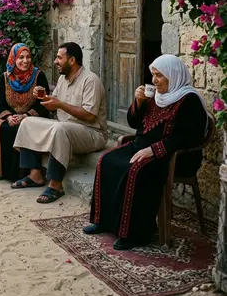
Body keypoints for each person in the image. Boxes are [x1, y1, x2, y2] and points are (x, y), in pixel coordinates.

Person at [83, 54, 207, 250]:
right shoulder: (156, 96)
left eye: (159, 76)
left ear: (173, 76)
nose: (154, 81)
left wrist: (154, 150)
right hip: (141, 146)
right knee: (107, 160)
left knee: (137, 169)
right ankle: (104, 221)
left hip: (172, 155)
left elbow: (188, 137)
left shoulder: (189, 100)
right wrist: (139, 103)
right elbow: (134, 123)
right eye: (153, 75)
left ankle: (135, 234)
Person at [13, 42, 108, 204]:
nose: (55, 61)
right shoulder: (63, 79)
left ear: (71, 60)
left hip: (92, 133)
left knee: (60, 129)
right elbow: (53, 104)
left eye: (59, 57)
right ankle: (35, 173)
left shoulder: (91, 80)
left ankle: (56, 184)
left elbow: (90, 116)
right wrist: (42, 98)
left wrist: (59, 105)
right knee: (28, 122)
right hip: (64, 127)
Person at [0, 43, 51, 182]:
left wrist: (26, 116)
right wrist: (8, 117)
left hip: (31, 118)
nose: (25, 61)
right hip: (11, 116)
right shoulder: (5, 77)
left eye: (28, 57)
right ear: (13, 59)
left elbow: (43, 104)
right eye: (21, 58)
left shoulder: (38, 75)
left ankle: (17, 175)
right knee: (0, 128)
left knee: (20, 129)